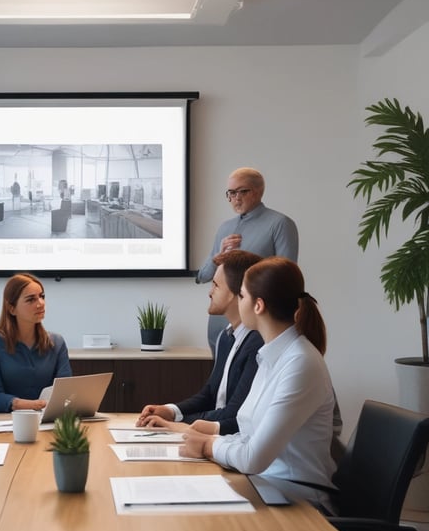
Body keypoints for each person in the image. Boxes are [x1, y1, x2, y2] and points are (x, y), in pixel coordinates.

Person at [181, 257, 336, 492]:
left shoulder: (300, 363)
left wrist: (207, 446)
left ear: (258, 305)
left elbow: (253, 458)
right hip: (266, 483)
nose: (238, 301)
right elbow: (247, 435)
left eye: (241, 295)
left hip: (297, 495)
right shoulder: (271, 356)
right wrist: (211, 437)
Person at [136, 250, 263, 434]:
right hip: (216, 438)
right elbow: (210, 394)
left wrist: (178, 424)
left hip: (229, 440)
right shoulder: (226, 338)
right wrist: (171, 411)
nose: (210, 292)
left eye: (215, 285)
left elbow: (234, 414)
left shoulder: (258, 343)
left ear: (236, 293)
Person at [196, 167, 299, 351]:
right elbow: (201, 277)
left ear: (259, 191)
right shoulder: (225, 228)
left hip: (255, 322)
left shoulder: (280, 224)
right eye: (231, 192)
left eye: (242, 191)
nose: (236, 197)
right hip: (220, 323)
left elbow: (286, 277)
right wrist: (217, 258)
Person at [0, 273, 72, 412]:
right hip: (9, 424)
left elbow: (65, 392)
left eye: (42, 296)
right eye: (31, 300)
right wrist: (35, 405)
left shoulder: (57, 342)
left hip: (48, 421)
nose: (40, 303)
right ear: (12, 309)